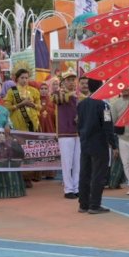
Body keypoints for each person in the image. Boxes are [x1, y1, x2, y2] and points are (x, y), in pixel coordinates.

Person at [76, 78, 117, 214]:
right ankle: (94, 205)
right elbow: (107, 127)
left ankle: (83, 204)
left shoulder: (81, 105)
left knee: (85, 173)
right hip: (99, 144)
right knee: (98, 174)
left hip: (85, 142)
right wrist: (113, 144)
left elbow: (78, 124)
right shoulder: (103, 106)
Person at [5, 69, 41, 188]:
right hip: (18, 125)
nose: (25, 80)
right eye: (22, 78)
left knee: (30, 151)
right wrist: (21, 104)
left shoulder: (34, 91)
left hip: (32, 125)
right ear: (17, 78)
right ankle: (19, 176)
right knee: (19, 151)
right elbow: (7, 107)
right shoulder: (12, 92)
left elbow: (40, 107)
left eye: (26, 77)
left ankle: (28, 176)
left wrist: (33, 105)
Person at [55, 71, 81, 199]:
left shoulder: (78, 96)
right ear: (63, 82)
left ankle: (76, 188)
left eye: (73, 80)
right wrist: (71, 94)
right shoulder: (58, 93)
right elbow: (56, 99)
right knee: (67, 163)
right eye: (69, 80)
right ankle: (68, 189)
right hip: (65, 132)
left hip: (78, 132)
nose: (71, 82)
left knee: (77, 162)